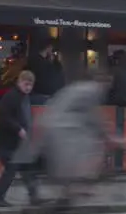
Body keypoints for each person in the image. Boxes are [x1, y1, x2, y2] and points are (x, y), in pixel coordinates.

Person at [20, 71, 119, 205]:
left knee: (80, 147)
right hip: (60, 128)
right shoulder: (91, 90)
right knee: (87, 147)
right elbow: (95, 116)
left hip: (55, 124)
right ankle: (76, 188)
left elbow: (91, 117)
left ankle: (68, 192)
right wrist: (110, 137)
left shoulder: (79, 88)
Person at [0, 70, 39, 207]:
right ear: (19, 82)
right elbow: (3, 117)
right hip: (8, 142)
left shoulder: (24, 98)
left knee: (26, 169)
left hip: (18, 143)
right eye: (26, 84)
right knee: (12, 169)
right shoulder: (11, 97)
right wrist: (18, 129)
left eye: (31, 85)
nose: (28, 87)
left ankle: (34, 197)